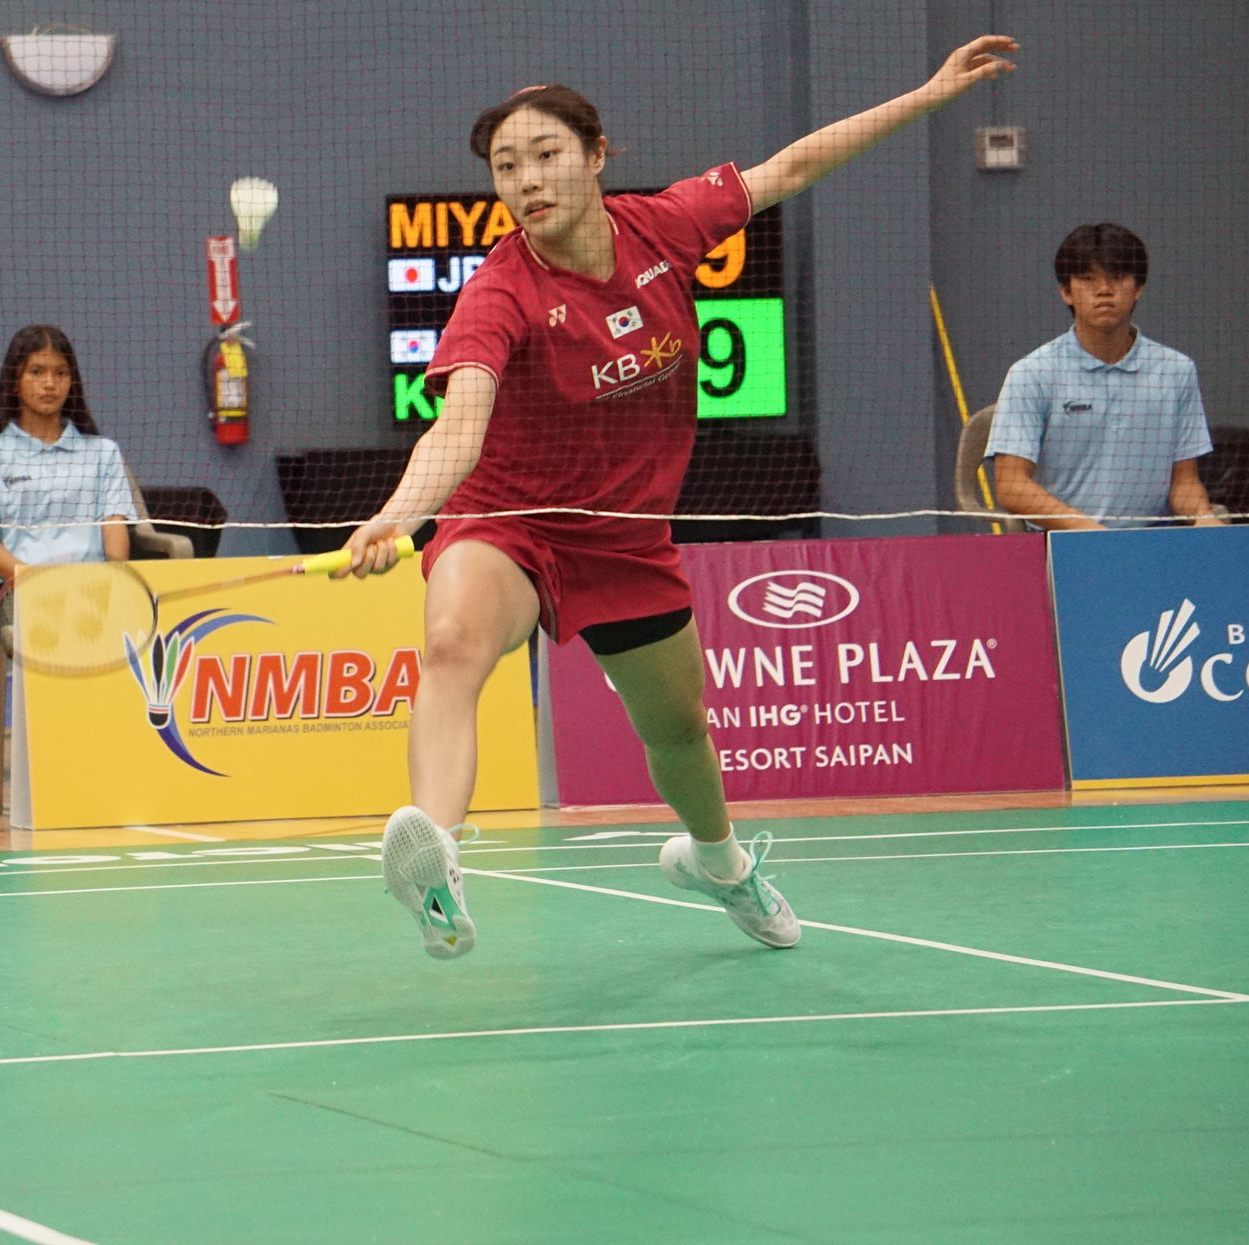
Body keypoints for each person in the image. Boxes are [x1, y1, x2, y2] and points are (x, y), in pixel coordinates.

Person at [343, 38, 1019, 959]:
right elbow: (459, 424)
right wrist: (400, 512)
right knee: (455, 642)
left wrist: (930, 95)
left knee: (679, 732)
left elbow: (797, 163)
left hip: (623, 536)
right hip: (509, 521)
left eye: (546, 155)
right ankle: (440, 865)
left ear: (596, 153)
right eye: (507, 167)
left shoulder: (665, 224)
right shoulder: (498, 290)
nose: (527, 180)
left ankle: (722, 863)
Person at [988, 222, 1223, 530]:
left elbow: (1184, 483)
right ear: (1066, 292)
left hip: (1154, 546)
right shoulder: (1032, 374)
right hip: (1064, 544)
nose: (1104, 290)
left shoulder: (1176, 372)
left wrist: (1202, 516)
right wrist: (1086, 530)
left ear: (1139, 287)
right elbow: (1011, 485)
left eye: (1117, 277)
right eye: (1088, 279)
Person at [0, 324, 138, 626]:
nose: (50, 383)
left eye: (61, 373)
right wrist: (36, 581)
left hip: (94, 589)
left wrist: (116, 583)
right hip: (22, 588)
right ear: (15, 381)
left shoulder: (103, 452)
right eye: (36, 372)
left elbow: (115, 535)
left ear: (72, 382)